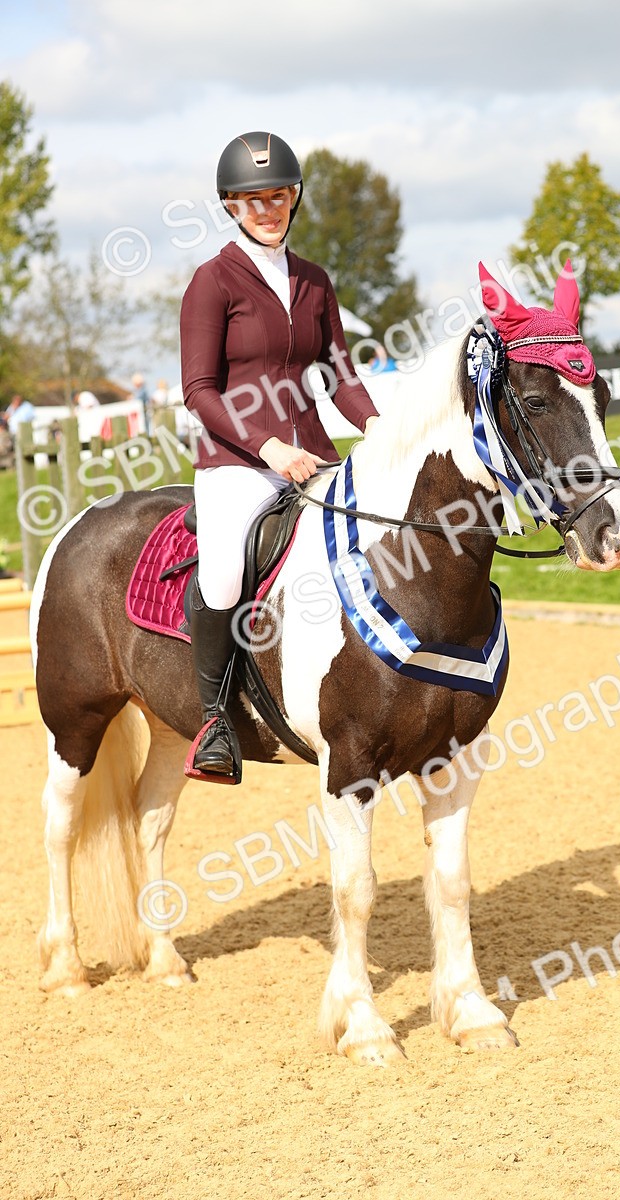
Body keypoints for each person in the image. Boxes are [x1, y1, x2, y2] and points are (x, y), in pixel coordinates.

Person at [180, 130, 379, 782]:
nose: (268, 209)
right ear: (232, 206)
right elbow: (198, 391)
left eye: (279, 196)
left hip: (315, 455)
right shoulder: (212, 283)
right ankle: (213, 720)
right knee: (228, 574)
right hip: (236, 461)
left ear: (295, 198)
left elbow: (341, 375)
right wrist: (266, 447)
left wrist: (378, 429)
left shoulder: (315, 281)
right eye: (253, 199)